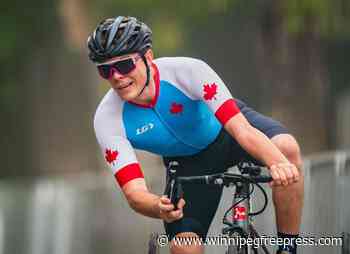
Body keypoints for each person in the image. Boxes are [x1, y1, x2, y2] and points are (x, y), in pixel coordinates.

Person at [87, 16, 304, 254]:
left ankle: (288, 247)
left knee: (287, 149)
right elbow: (134, 193)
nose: (116, 76)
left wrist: (278, 164)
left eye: (125, 65)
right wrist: (158, 207)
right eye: (105, 70)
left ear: (148, 57)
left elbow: (242, 129)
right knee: (184, 248)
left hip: (228, 132)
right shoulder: (107, 118)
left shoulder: (187, 71)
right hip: (188, 163)